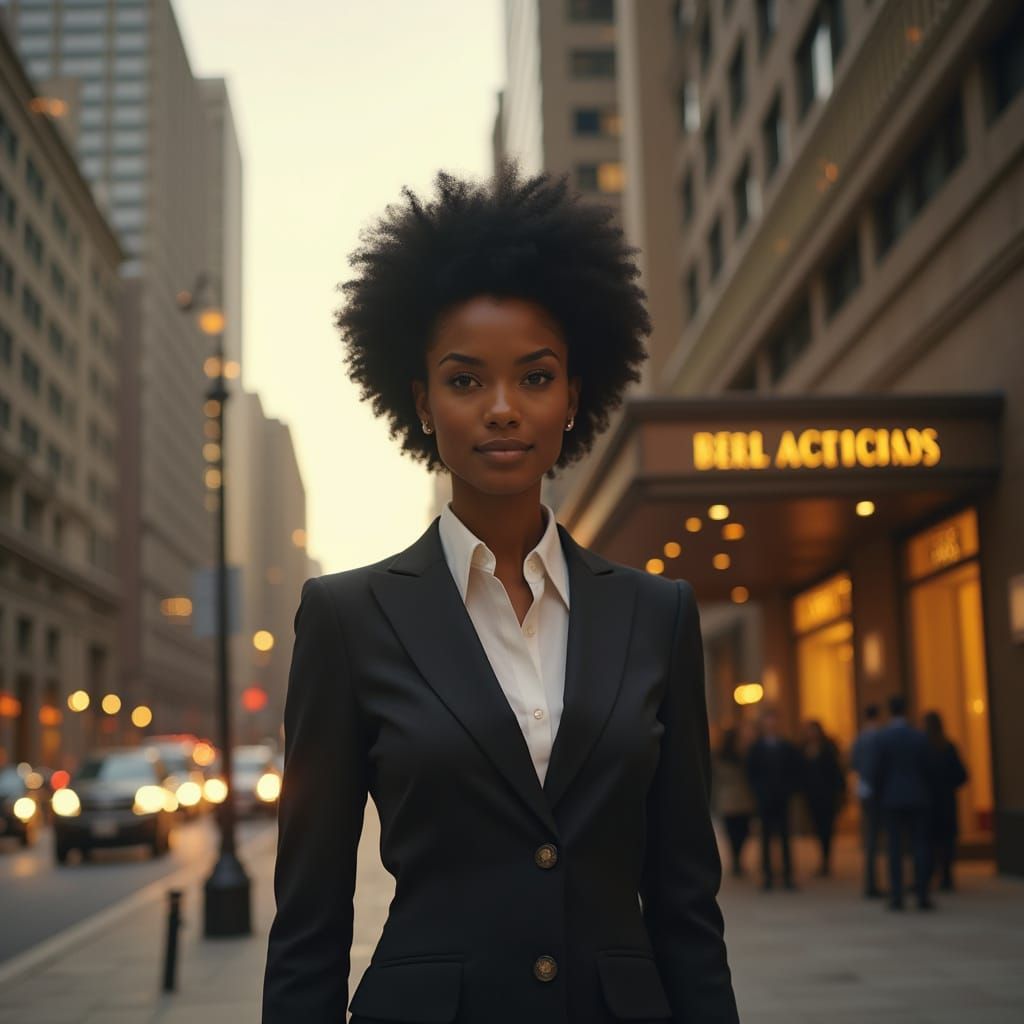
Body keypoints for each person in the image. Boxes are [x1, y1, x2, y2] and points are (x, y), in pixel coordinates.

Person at [262, 165, 739, 1023]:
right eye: (465, 380)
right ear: (421, 403)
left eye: (536, 377)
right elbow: (310, 918)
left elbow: (686, 905)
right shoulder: (347, 619)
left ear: (574, 398)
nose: (503, 408)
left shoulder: (658, 614)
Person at [872, 694, 934, 911]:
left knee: (895, 848)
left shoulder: (883, 738)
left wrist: (880, 796)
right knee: (920, 846)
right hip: (917, 797)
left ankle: (897, 896)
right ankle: (922, 894)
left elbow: (877, 772)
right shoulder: (919, 737)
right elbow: (928, 768)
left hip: (892, 799)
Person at [746, 708, 802, 891]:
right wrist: (758, 791)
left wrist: (789, 790)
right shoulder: (757, 748)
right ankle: (767, 875)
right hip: (765, 798)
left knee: (785, 837)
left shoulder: (786, 746)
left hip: (782, 797)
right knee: (766, 837)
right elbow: (751, 773)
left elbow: (794, 770)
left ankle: (787, 875)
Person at [922, 710, 968, 892]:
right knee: (946, 842)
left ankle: (929, 875)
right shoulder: (948, 747)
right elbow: (961, 775)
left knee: (929, 841)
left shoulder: (924, 748)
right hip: (946, 802)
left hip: (929, 803)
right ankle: (946, 877)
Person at [799, 720, 846, 877]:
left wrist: (840, 793)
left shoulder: (828, 748)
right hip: (812, 795)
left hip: (827, 795)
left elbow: (836, 772)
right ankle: (823, 857)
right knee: (817, 827)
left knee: (827, 827)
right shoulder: (803, 749)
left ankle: (826, 859)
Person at [712, 723, 757, 878]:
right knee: (736, 831)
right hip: (731, 799)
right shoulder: (723, 757)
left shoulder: (744, 754)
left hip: (738, 799)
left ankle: (737, 859)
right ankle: (737, 859)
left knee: (739, 831)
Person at [850, 704, 884, 897]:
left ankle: (871, 881)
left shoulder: (861, 739)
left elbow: (854, 763)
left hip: (867, 791)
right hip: (881, 793)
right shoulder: (881, 737)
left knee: (871, 837)